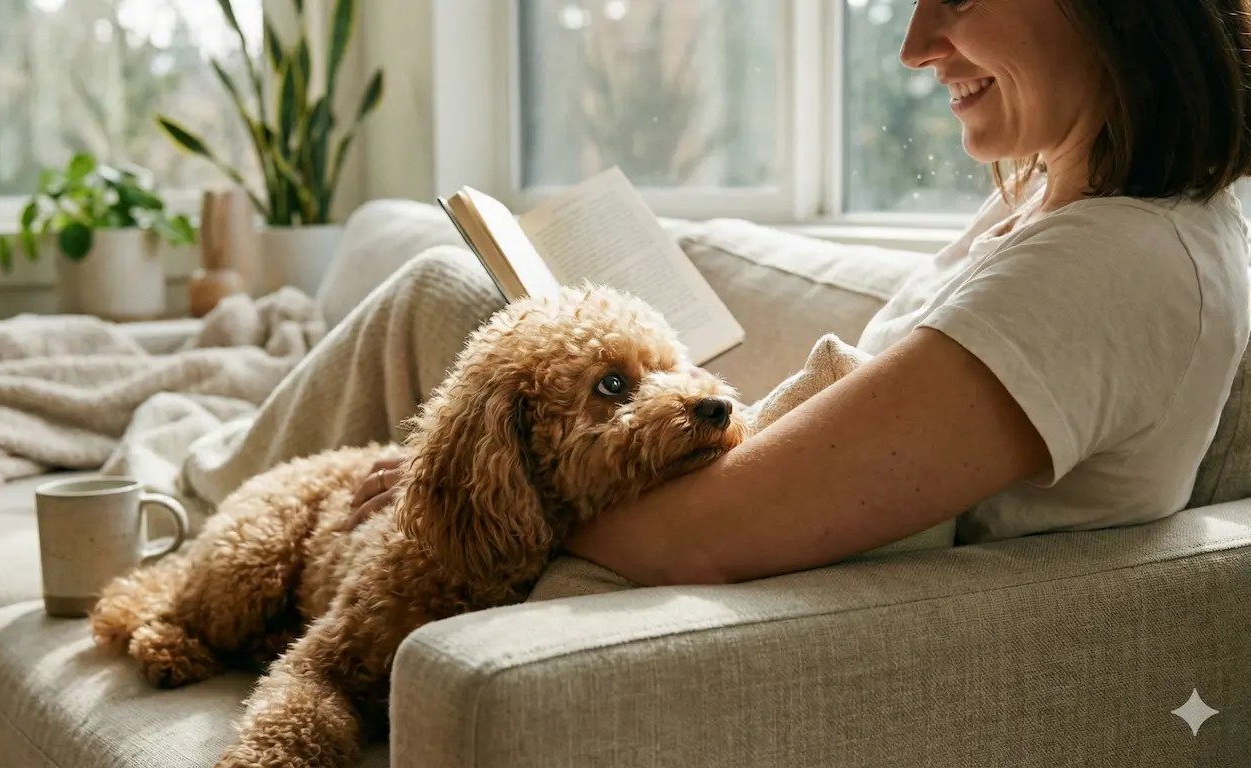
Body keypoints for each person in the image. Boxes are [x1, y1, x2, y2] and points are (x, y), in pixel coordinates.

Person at [214, 0, 1251, 588]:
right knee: (442, 292)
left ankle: (208, 522)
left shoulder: (1110, 267)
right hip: (722, 481)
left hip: (686, 565)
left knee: (440, 293)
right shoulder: (1060, 194)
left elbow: (695, 539)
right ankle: (217, 506)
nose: (914, 43)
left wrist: (450, 511)